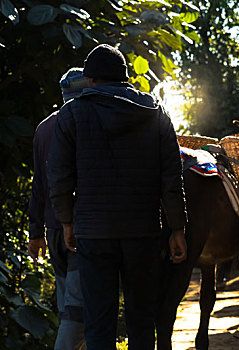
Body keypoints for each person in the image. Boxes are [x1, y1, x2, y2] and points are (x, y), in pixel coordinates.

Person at [46, 44, 187, 350]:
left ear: (91, 80)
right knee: (141, 319)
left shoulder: (72, 113)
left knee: (98, 321)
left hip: (94, 234)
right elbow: (171, 177)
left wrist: (67, 222)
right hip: (144, 232)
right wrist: (177, 228)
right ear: (125, 78)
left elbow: (58, 176)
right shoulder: (154, 111)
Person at [28, 67, 87, 350]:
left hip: (53, 230)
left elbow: (38, 184)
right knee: (78, 308)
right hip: (78, 229)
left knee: (68, 305)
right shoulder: (84, 123)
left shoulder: (44, 127)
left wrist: (35, 232)